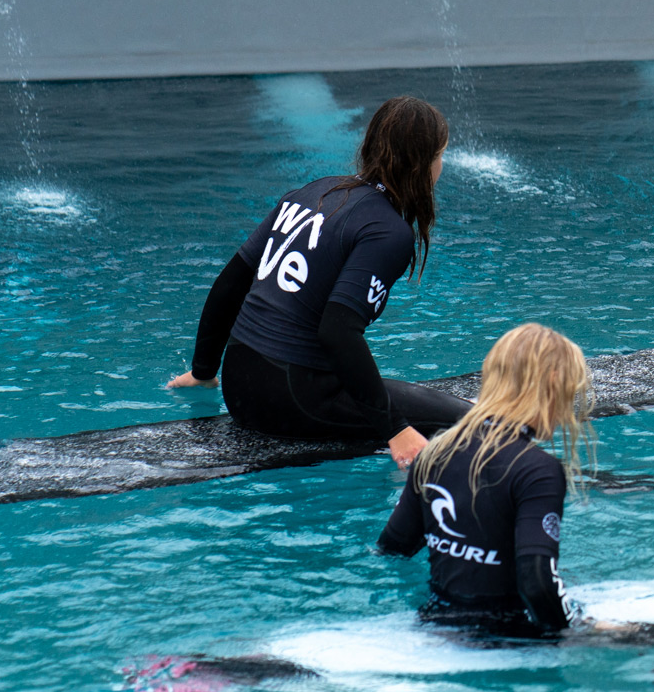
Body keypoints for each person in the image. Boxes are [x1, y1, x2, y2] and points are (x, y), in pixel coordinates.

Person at [168, 96, 468, 466]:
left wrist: (203, 372)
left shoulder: (315, 192)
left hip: (238, 385)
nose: (441, 166)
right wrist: (396, 430)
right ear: (423, 163)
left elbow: (230, 284)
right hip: (290, 400)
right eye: (441, 155)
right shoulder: (388, 231)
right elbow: (338, 332)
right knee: (477, 423)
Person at [377, 323, 591, 635]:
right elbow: (537, 581)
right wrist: (579, 628)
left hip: (434, 621)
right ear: (552, 388)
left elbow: (391, 549)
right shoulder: (537, 470)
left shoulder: (434, 453)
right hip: (508, 638)